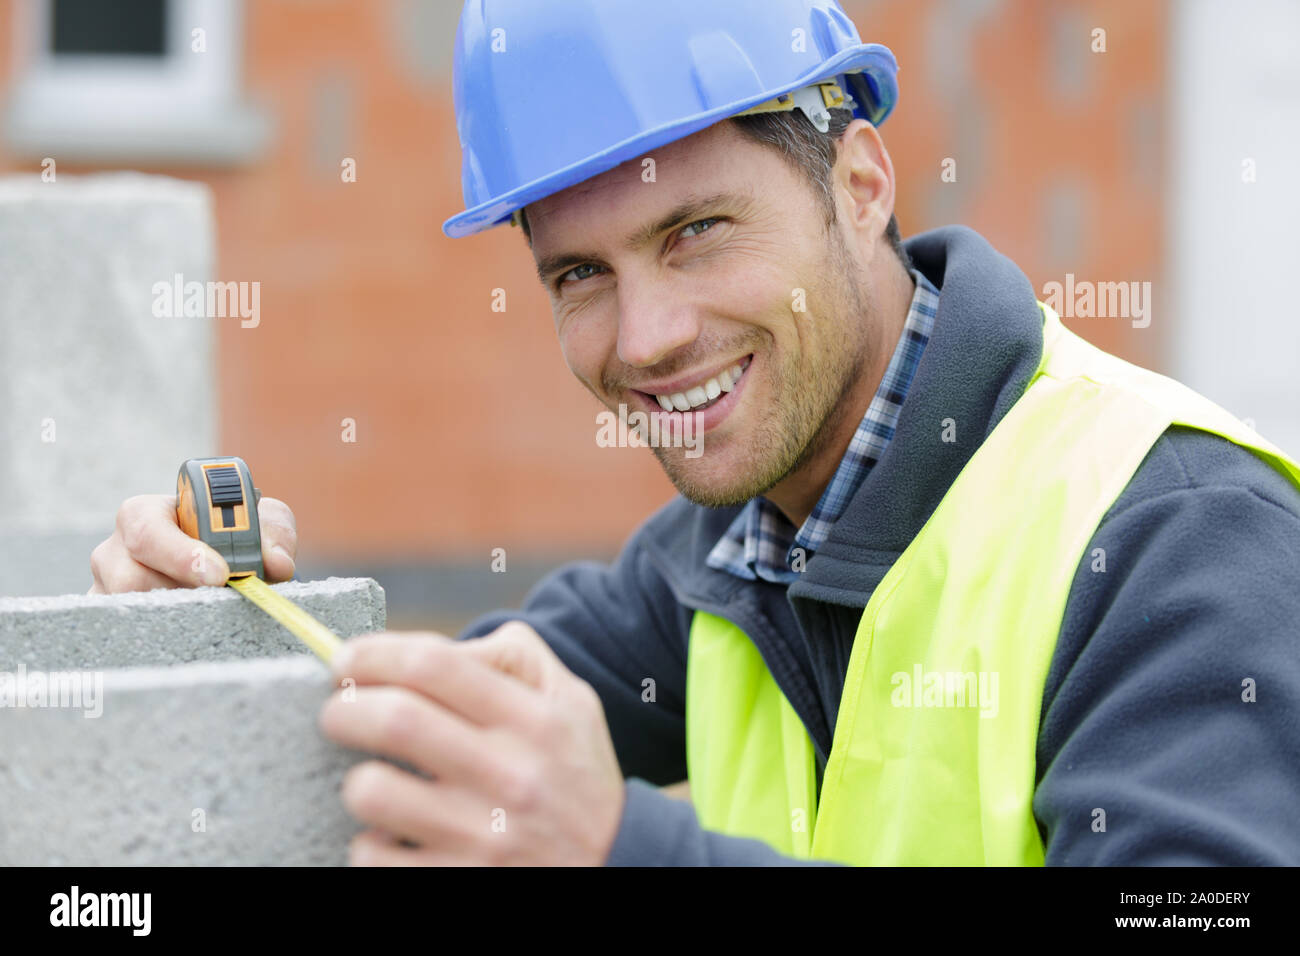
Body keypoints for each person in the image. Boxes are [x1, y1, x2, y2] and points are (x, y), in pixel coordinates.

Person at [90, 0, 1300, 865]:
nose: (648, 336)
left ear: (860, 183)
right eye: (579, 274)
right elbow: (424, 738)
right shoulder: (728, 554)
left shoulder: (1175, 541)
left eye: (697, 231)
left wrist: (628, 849)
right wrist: (213, 629)